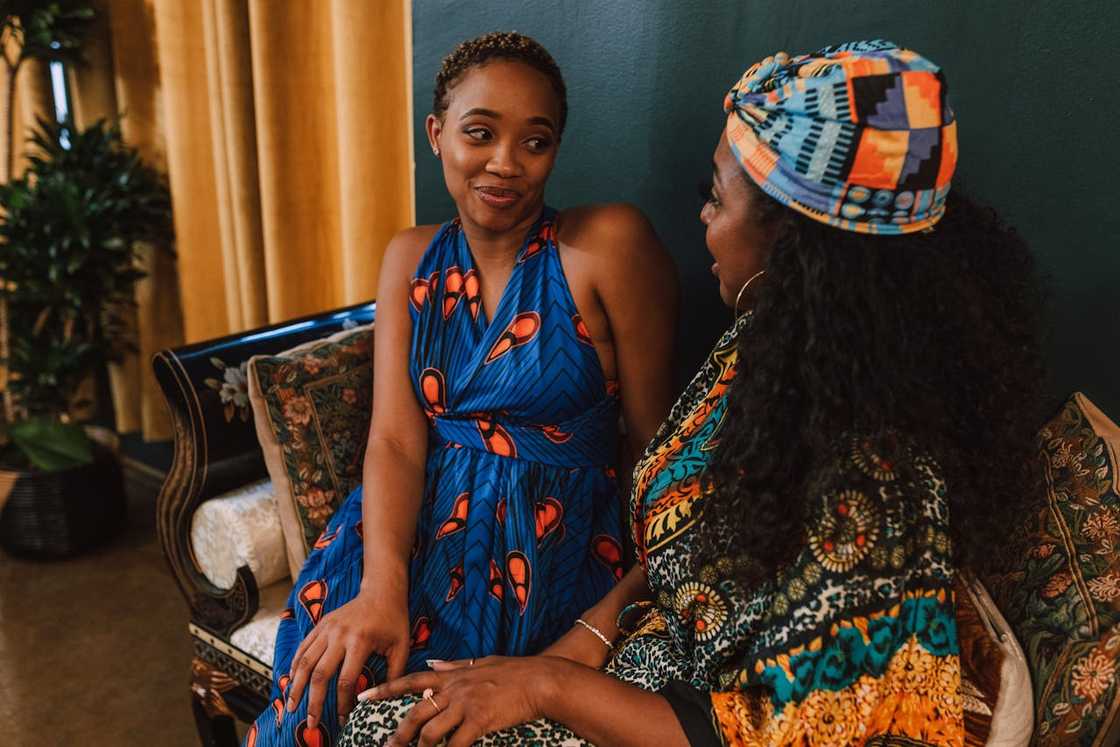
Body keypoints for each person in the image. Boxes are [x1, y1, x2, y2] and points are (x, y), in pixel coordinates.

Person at [340, 40, 1045, 747]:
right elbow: (685, 552)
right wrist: (586, 639)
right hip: (640, 664)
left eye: (716, 197)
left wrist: (545, 685)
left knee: (393, 732)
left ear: (788, 236)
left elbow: (772, 731)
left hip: (682, 719)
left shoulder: (873, 482)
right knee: (383, 714)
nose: (703, 219)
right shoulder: (769, 353)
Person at [245, 32, 679, 746]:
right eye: (480, 133)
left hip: (555, 552)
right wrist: (380, 588)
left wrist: (615, 611)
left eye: (535, 142)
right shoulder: (409, 256)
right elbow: (394, 439)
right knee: (320, 699)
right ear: (437, 134)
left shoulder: (606, 246)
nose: (505, 163)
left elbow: (662, 456)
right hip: (411, 540)